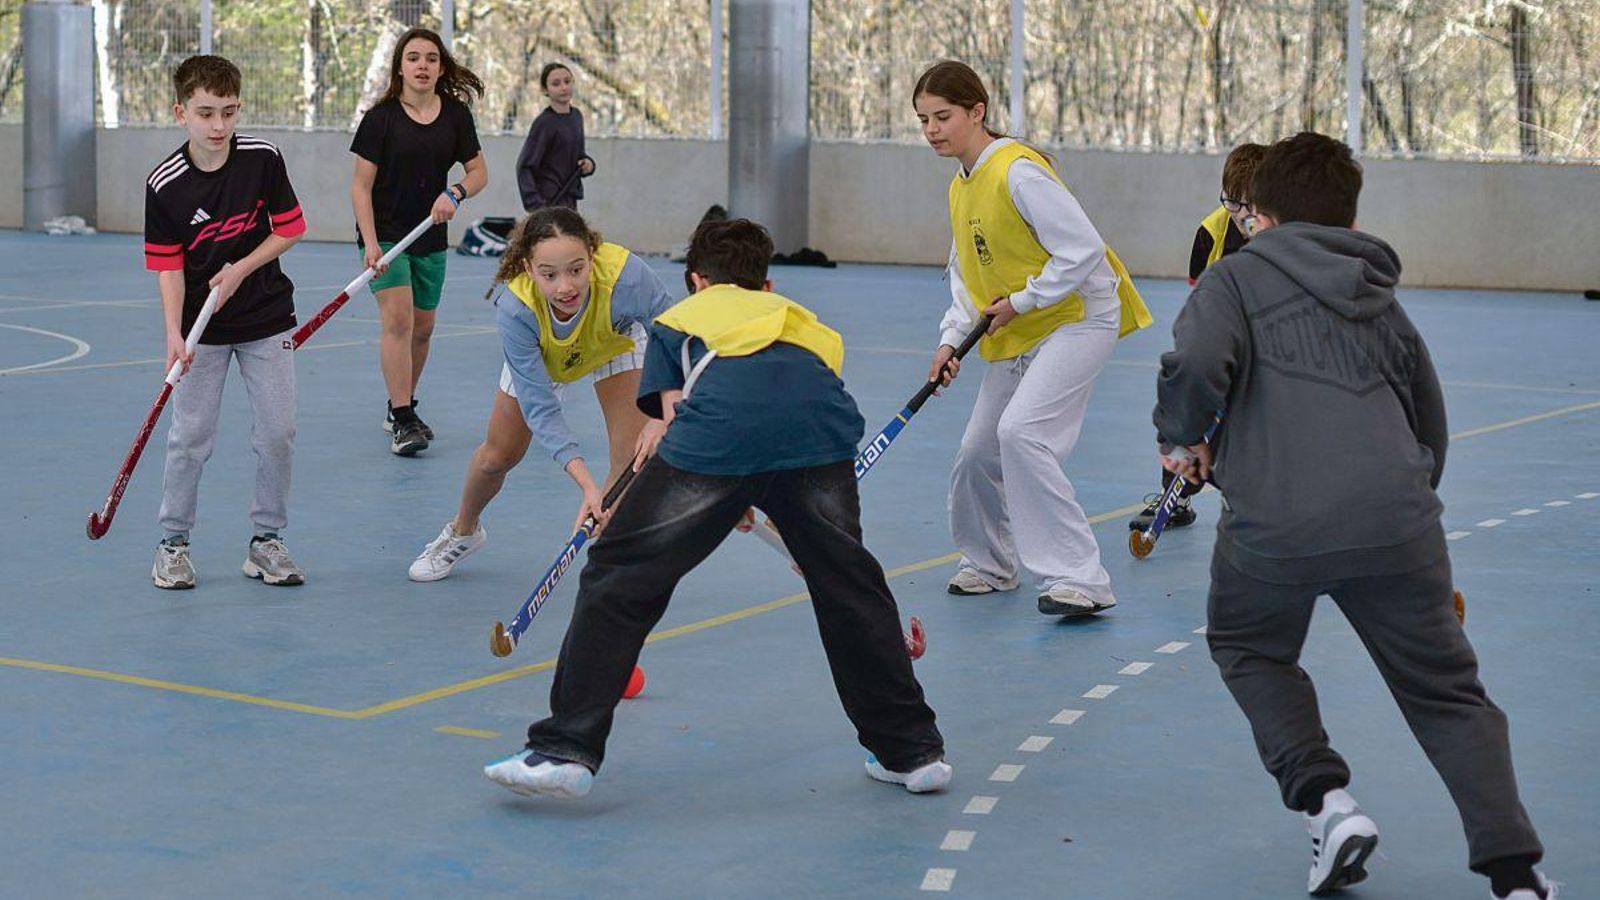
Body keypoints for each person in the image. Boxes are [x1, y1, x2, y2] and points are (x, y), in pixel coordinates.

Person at [1155, 132, 1552, 899]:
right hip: (1399, 520)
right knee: (1446, 691)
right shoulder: (1378, 291)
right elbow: (1425, 416)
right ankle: (1518, 876)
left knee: (1247, 646)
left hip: (1276, 525)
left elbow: (1197, 367)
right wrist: (1408, 507)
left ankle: (1326, 803)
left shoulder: (1232, 283)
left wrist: (1181, 440)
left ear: (1258, 215)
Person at [483, 218, 948, 800]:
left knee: (619, 573)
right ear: (768, 287)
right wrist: (775, 512)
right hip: (820, 434)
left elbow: (675, 418)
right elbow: (799, 405)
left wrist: (720, 493)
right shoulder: (809, 326)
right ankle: (913, 752)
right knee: (849, 586)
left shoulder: (679, 321)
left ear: (698, 281)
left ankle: (565, 749)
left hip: (719, 439)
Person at [912, 59, 1153, 618]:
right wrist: (952, 341)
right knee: (977, 450)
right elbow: (968, 277)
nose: (931, 130)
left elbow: (1084, 248)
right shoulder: (961, 188)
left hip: (1078, 316)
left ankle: (1082, 578)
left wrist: (1022, 301)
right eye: (923, 119)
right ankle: (992, 564)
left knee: (1022, 434)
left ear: (978, 111)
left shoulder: (1018, 172)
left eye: (942, 116)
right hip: (1025, 326)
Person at [408, 207, 672, 582]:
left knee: (631, 458)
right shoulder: (517, 309)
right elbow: (542, 410)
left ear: (592, 257)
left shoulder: (626, 277)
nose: (566, 286)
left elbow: (672, 333)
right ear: (529, 271)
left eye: (577, 270)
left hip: (614, 336)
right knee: (497, 457)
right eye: (549, 275)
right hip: (545, 355)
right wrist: (586, 484)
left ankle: (608, 556)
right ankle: (463, 531)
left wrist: (662, 415)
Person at [144, 55, 307, 589]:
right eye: (206, 113)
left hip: (266, 317)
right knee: (190, 437)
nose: (219, 126)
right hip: (200, 330)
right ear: (181, 112)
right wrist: (173, 332)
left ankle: (266, 541)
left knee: (278, 433)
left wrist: (240, 269)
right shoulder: (165, 185)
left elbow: (290, 228)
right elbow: (168, 265)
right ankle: (173, 543)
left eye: (229, 112)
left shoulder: (262, 159)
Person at [350, 27, 488, 455]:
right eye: (413, 57)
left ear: (441, 66)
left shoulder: (456, 117)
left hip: (430, 235)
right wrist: (370, 244)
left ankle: (401, 405)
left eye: (431, 57)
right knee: (399, 322)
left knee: (423, 330)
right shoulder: (380, 119)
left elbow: (478, 173)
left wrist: (455, 193)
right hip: (387, 237)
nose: (422, 65)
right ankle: (404, 415)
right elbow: (360, 187)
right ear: (400, 67)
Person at [1128, 141, 1266, 533]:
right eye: (1230, 203)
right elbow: (1201, 303)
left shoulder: (1285, 231)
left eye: (1248, 206)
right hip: (1225, 334)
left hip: (1271, 346)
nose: (1240, 216)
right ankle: (1176, 496)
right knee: (1184, 402)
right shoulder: (1210, 233)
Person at [515, 62, 593, 212]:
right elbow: (525, 166)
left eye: (567, 81)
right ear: (545, 89)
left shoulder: (576, 117)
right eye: (556, 84)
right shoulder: (544, 123)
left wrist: (588, 164)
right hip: (548, 202)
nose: (564, 87)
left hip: (570, 200)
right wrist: (536, 206)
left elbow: (578, 155)